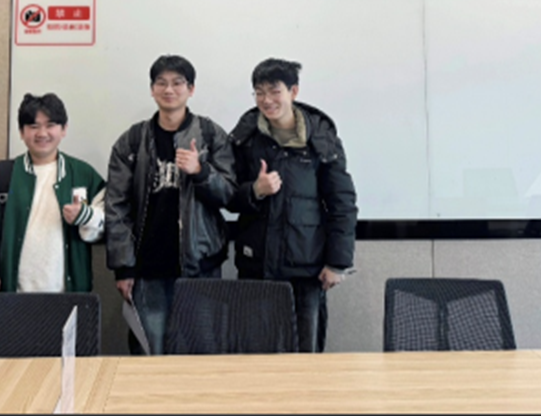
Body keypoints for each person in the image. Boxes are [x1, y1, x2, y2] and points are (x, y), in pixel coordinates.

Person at [105, 54, 237, 355]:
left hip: (201, 266)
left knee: (201, 351)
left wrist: (200, 172)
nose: (169, 89)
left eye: (178, 83)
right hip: (147, 269)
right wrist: (123, 268)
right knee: (150, 354)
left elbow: (230, 195)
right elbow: (116, 207)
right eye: (161, 83)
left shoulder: (210, 135)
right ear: (152, 89)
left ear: (191, 89)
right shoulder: (132, 140)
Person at [229, 57, 358, 352]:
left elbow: (342, 201)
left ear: (293, 91)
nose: (267, 100)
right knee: (255, 355)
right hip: (256, 265)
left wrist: (337, 262)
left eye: (275, 91)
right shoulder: (244, 138)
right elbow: (227, 195)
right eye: (259, 92)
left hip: (306, 268)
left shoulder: (320, 138)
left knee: (304, 357)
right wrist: (255, 191)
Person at [0, 92, 105, 297]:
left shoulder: (83, 175)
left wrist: (87, 216)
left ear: (64, 129)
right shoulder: (0, 176)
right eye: (33, 126)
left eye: (50, 125)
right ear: (21, 132)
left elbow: (111, 222)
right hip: (9, 298)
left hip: (69, 299)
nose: (42, 133)